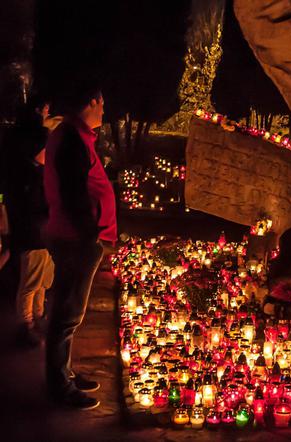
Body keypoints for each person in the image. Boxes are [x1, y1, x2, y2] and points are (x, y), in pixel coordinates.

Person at [43, 86, 116, 410]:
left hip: (76, 237)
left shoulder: (76, 135)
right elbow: (74, 194)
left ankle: (65, 373)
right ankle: (59, 385)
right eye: (101, 103)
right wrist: (90, 235)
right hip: (75, 238)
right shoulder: (72, 139)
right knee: (67, 313)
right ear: (90, 102)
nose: (104, 110)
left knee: (69, 311)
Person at [4, 97, 55, 347]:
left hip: (42, 225)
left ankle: (37, 318)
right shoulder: (29, 175)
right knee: (31, 279)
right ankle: (26, 325)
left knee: (42, 279)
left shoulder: (36, 172)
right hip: (33, 227)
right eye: (44, 107)